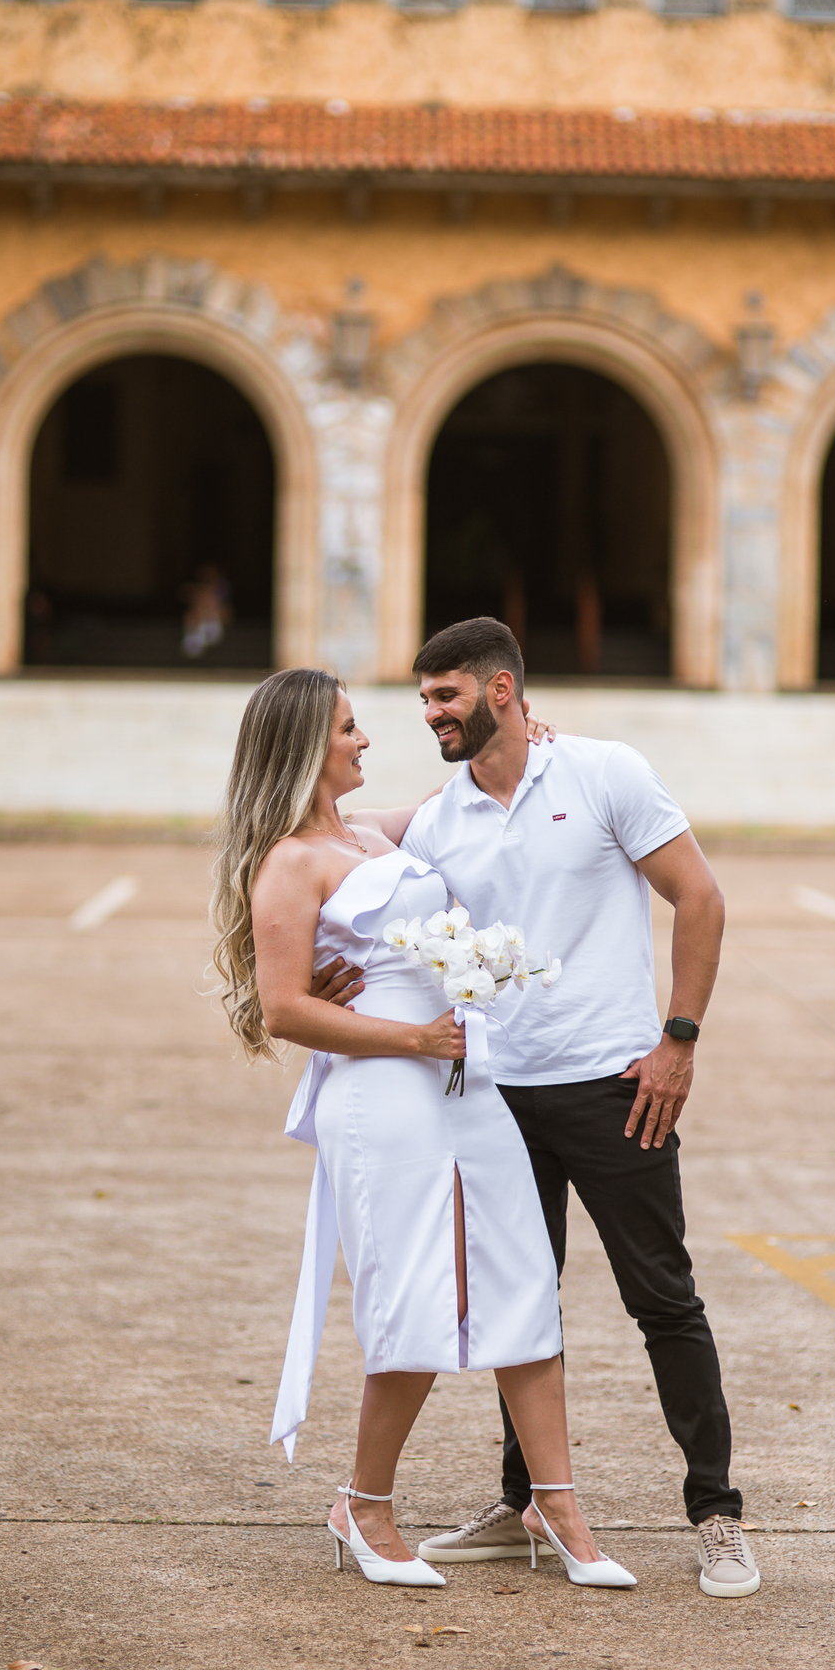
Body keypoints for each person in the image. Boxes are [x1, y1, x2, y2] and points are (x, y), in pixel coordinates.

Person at [209, 667, 635, 1591]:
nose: (365, 742)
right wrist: (413, 1036)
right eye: (350, 729)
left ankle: (554, 1503)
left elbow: (463, 792)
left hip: (461, 1078)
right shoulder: (290, 861)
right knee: (415, 1293)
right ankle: (362, 1506)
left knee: (522, 1270)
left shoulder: (368, 832)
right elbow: (283, 1009)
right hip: (383, 1094)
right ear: (302, 748)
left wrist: (521, 730)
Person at [394, 617, 760, 1599]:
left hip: (617, 1087)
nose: (430, 715)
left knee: (663, 1298)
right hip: (497, 1100)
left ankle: (717, 1515)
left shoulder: (604, 773)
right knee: (519, 1307)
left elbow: (701, 897)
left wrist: (677, 1040)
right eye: (423, 700)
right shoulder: (440, 818)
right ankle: (523, 1508)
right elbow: (374, 871)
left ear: (502, 691)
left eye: (446, 697)